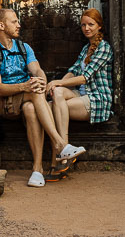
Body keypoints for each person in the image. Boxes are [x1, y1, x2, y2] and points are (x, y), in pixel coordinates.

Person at [0, 8, 86, 187]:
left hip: (28, 100)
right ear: (1, 25)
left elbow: (37, 70)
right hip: (5, 102)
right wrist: (25, 86)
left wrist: (41, 81)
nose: (18, 25)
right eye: (14, 21)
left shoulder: (24, 48)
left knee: (31, 108)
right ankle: (60, 144)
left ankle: (37, 170)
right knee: (33, 92)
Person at [47, 8, 114, 145]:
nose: (86, 28)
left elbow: (85, 77)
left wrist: (58, 82)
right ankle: (65, 150)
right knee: (57, 93)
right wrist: (56, 85)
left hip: (97, 98)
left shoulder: (103, 48)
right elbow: (74, 70)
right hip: (81, 94)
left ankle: (63, 145)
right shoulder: (86, 49)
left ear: (99, 26)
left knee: (52, 107)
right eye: (83, 25)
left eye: (91, 24)